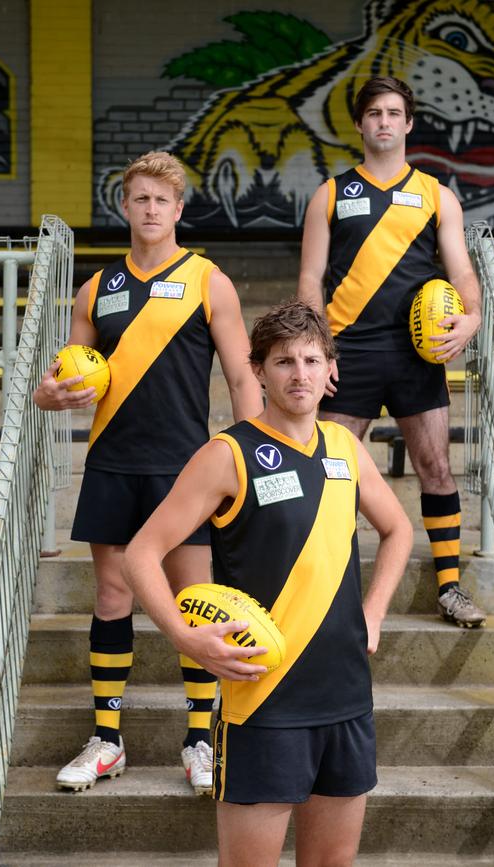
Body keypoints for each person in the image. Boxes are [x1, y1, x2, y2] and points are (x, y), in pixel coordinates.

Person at [122, 300, 413, 867]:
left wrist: (373, 613)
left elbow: (399, 529)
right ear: (257, 371)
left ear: (332, 369)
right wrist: (186, 637)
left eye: (310, 360)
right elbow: (141, 553)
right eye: (283, 362)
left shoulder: (346, 449)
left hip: (345, 697)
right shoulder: (227, 455)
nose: (299, 374)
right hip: (264, 701)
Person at [32, 151, 263, 793]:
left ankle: (200, 739)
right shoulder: (94, 290)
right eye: (140, 199)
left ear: (179, 209)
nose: (151, 209)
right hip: (112, 461)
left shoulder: (208, 280)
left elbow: (243, 373)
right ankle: (106, 740)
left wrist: (246, 453)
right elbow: (56, 380)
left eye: (162, 200)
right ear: (125, 206)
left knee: (194, 602)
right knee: (113, 598)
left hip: (184, 467)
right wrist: (48, 396)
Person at [298, 75, 486, 629]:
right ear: (359, 123)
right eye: (373, 112)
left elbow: (462, 272)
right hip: (346, 351)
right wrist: (317, 348)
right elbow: (310, 278)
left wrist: (471, 318)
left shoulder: (436, 194)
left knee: (436, 467)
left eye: (393, 112)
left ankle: (449, 587)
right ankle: (327, 589)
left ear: (408, 123)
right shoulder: (330, 194)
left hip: (415, 355)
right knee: (331, 473)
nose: (383, 121)